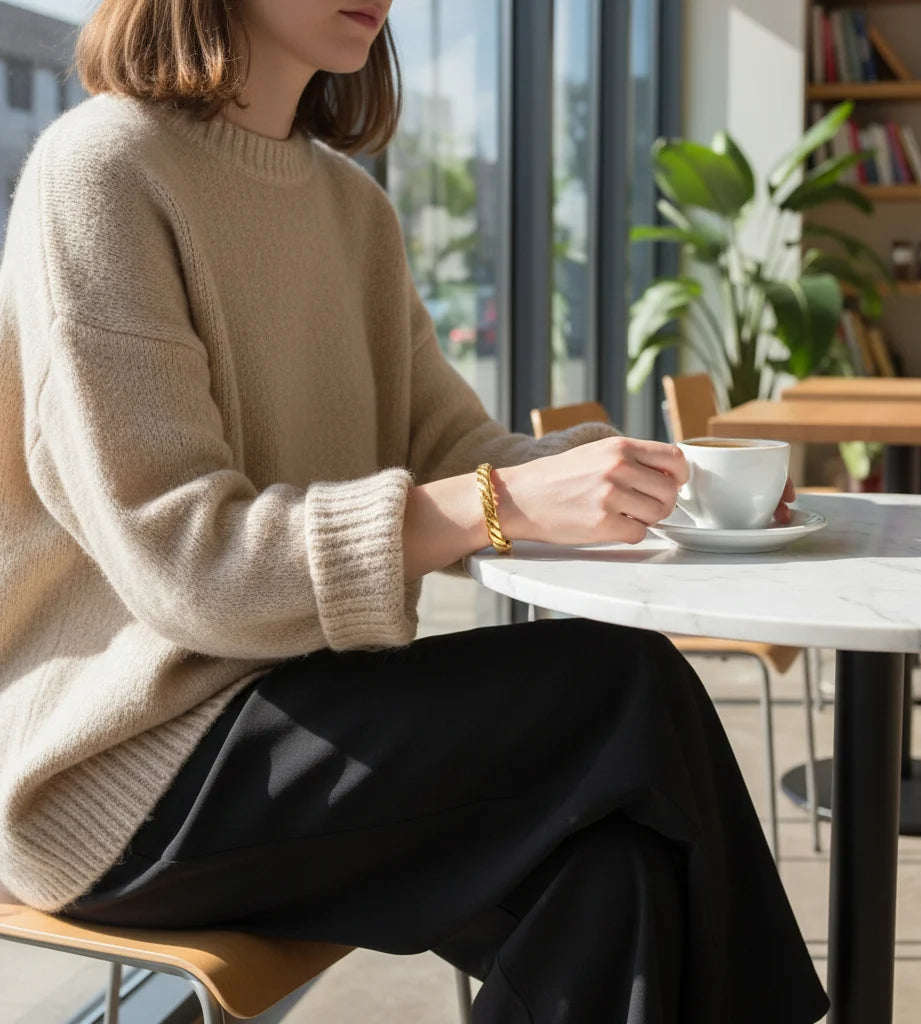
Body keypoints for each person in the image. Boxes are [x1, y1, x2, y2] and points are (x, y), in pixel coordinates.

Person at [0, 1, 827, 1021]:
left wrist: (650, 479)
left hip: (310, 723)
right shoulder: (101, 169)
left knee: (616, 877)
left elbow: (453, 451)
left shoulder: (353, 210)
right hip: (127, 771)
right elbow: (186, 564)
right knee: (622, 686)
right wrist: (499, 500)